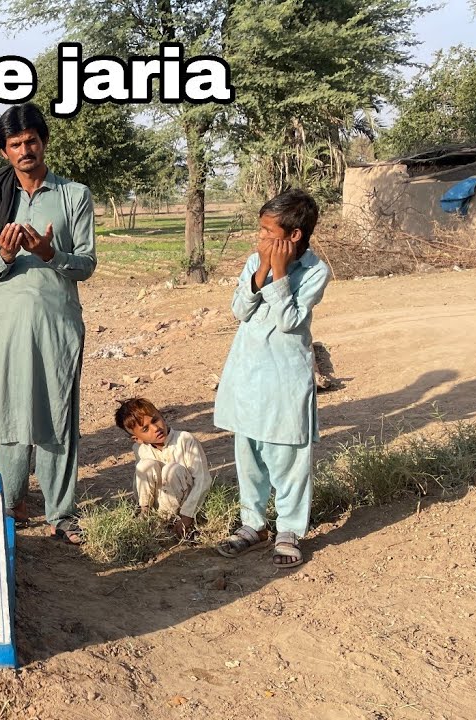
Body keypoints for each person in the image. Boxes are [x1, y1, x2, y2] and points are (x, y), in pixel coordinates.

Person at [0, 103, 96, 544]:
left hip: (57, 322)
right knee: (8, 412)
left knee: (56, 415)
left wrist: (49, 253)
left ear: (43, 142)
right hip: (6, 323)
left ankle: (61, 513)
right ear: (5, 151)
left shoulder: (73, 194)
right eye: (15, 144)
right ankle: (8, 506)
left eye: (31, 141)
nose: (25, 150)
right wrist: (6, 255)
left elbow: (86, 265)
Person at [214, 189, 329, 569]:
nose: (260, 239)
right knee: (249, 456)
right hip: (249, 375)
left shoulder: (315, 271)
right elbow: (239, 310)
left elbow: (289, 320)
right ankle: (253, 524)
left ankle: (289, 530)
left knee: (289, 457)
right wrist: (262, 269)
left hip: (286, 380)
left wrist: (279, 274)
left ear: (293, 235)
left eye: (267, 232)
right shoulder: (253, 261)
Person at [114, 398, 214, 538]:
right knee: (145, 466)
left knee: (172, 470)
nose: (156, 429)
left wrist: (188, 515)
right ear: (137, 439)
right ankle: (146, 516)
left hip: (185, 505)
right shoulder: (140, 449)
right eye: (145, 429)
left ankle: (166, 522)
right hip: (158, 504)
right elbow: (141, 485)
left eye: (155, 420)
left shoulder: (185, 440)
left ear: (161, 415)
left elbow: (203, 480)